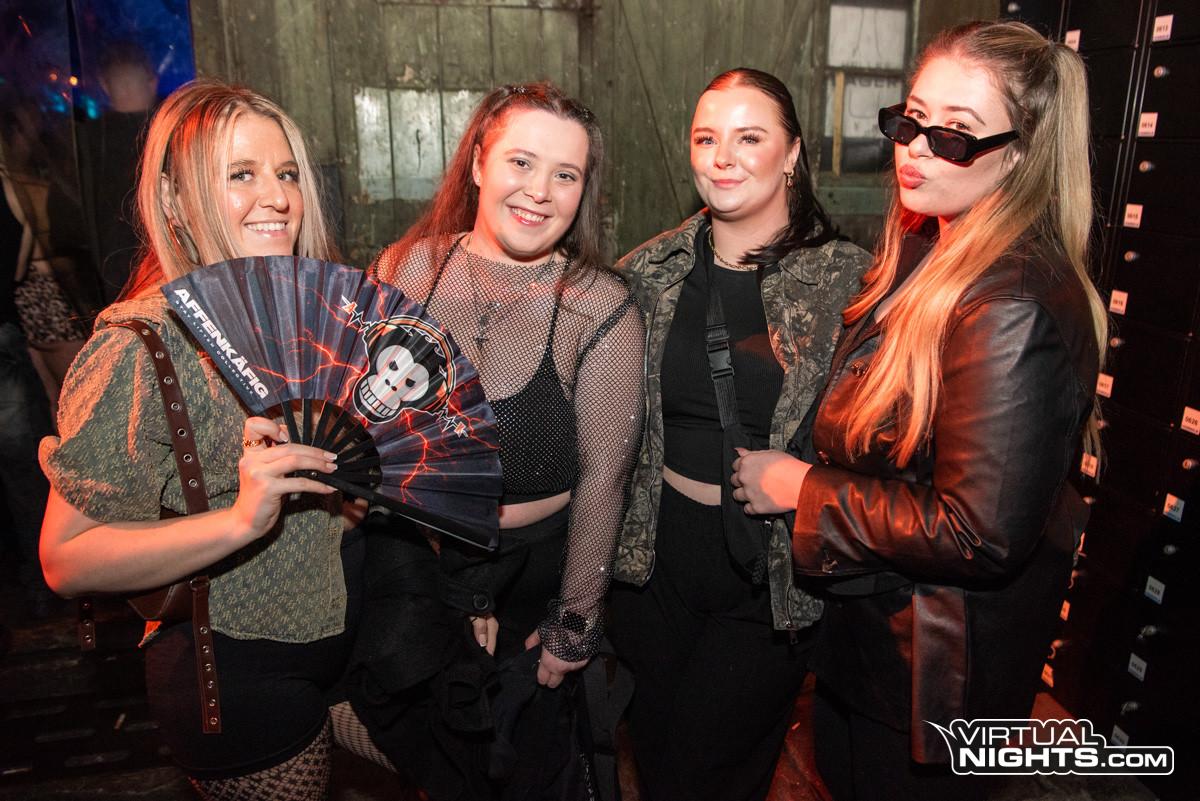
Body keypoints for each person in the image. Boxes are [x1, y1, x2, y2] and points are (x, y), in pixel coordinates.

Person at [730, 21, 1106, 801]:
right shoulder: (928, 245)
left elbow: (978, 531)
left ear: (1021, 153)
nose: (917, 150)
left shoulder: (1011, 302)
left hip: (927, 681)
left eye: (956, 136)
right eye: (912, 121)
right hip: (874, 654)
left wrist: (803, 488)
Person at [38, 79, 386, 800]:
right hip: (236, 671)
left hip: (350, 638)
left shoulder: (314, 318)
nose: (277, 197)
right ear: (174, 200)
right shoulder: (140, 345)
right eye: (241, 175)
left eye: (286, 173)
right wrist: (239, 521)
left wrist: (352, 503)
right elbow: (65, 559)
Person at [369, 82, 644, 799]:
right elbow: (367, 437)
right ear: (478, 163)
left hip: (532, 586)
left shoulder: (598, 304)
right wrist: (452, 589)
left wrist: (574, 622)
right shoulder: (405, 270)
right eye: (521, 162)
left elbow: (605, 479)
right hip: (415, 569)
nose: (540, 192)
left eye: (565, 174)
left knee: (524, 772)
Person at [608, 68, 872, 801]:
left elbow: (884, 447)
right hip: (652, 567)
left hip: (767, 575)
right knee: (658, 763)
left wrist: (808, 484)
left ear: (792, 154)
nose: (722, 157)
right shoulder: (647, 272)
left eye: (749, 137)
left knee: (706, 776)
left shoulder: (851, 284)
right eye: (706, 138)